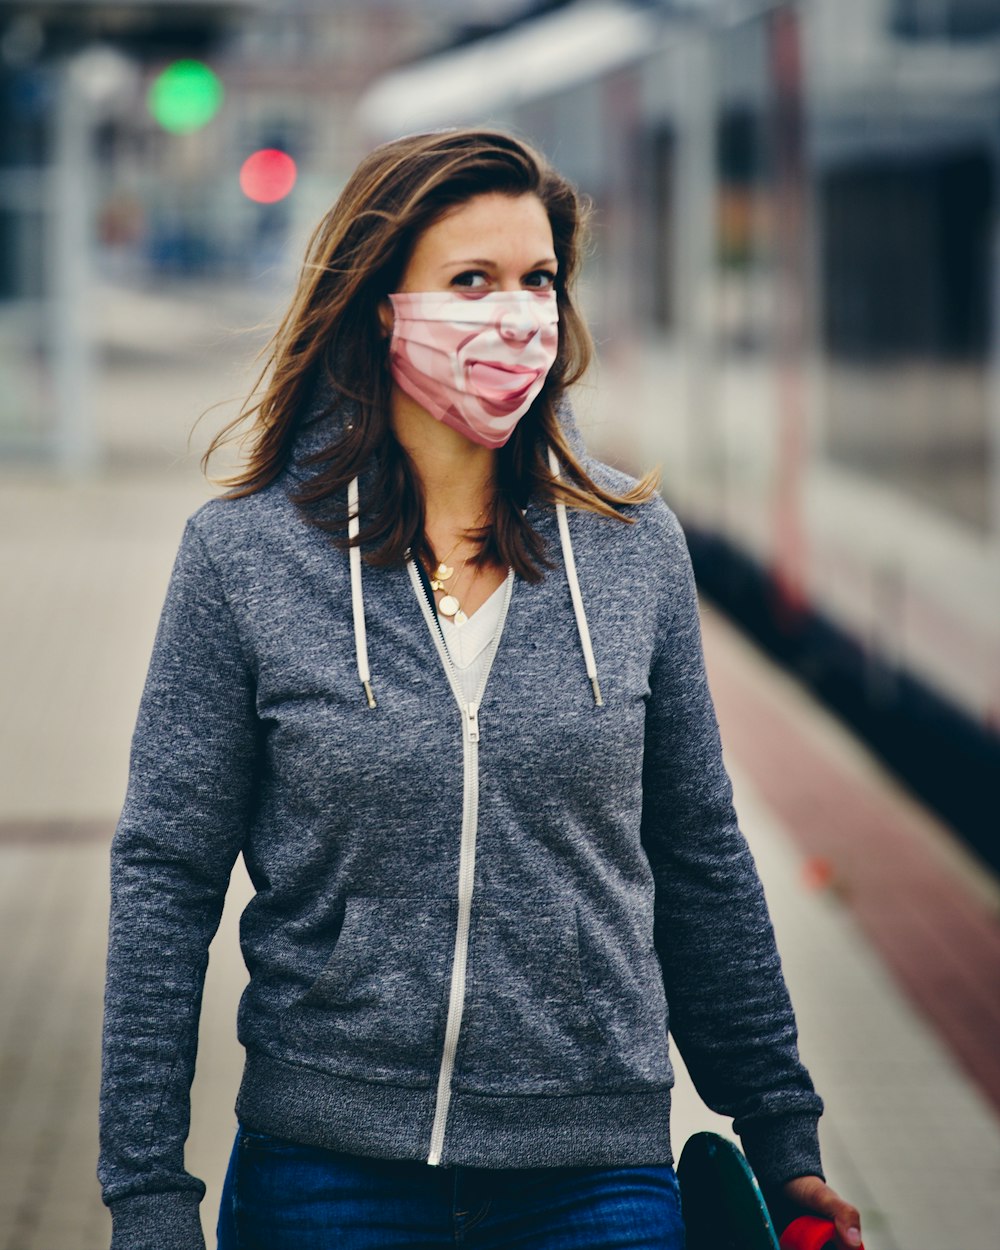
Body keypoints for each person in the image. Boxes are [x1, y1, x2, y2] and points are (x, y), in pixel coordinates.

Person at [98, 127, 863, 1250]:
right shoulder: (244, 558)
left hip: (594, 1175)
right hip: (326, 1175)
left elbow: (697, 850)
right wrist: (148, 1189)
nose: (516, 316)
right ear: (379, 305)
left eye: (538, 280)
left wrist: (781, 1133)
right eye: (473, 281)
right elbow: (165, 874)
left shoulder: (631, 545)